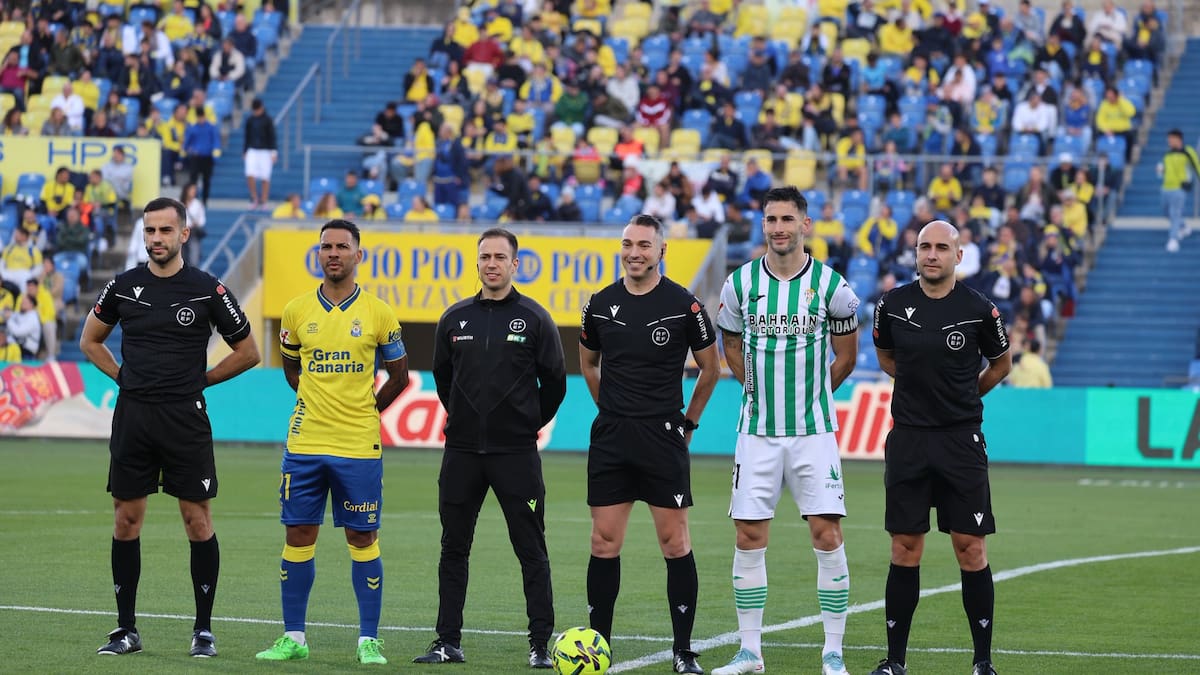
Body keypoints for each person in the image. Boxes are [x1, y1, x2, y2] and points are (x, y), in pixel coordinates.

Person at [80, 197, 261, 658]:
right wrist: (123, 377)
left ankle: (203, 630)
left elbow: (248, 351)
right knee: (126, 519)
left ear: (184, 234)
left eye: (165, 231)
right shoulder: (123, 286)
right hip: (134, 416)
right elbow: (90, 340)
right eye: (150, 231)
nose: (156, 239)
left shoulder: (206, 289)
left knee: (196, 520)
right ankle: (126, 630)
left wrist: (202, 379)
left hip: (185, 417)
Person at [711, 187, 860, 675]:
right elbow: (729, 343)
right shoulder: (739, 285)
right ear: (763, 225)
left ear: (805, 224)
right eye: (771, 219)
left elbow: (847, 356)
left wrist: (814, 393)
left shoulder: (832, 287)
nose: (779, 227)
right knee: (749, 535)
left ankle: (832, 651)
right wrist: (752, 385)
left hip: (813, 433)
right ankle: (750, 651)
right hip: (756, 432)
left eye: (787, 219)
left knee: (827, 533)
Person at [256, 219, 410, 665]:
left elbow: (400, 375)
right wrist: (315, 401)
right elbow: (291, 369)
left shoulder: (379, 313)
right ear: (318, 254)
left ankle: (368, 640)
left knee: (363, 536)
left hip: (358, 445)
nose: (334, 253)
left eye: (343, 246)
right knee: (298, 533)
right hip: (305, 443)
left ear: (359, 255)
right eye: (327, 247)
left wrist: (368, 411)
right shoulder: (296, 311)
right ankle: (294, 638)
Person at [414, 229, 567, 668]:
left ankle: (540, 645)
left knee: (531, 550)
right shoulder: (454, 318)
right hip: (461, 452)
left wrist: (524, 425)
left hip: (515, 454)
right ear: (477, 262)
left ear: (516, 264)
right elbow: (444, 379)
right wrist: (464, 418)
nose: (492, 264)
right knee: (453, 548)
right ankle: (447, 641)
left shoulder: (535, 319)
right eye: (485, 257)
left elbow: (554, 384)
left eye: (501, 257)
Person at [579, 214, 721, 674]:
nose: (634, 252)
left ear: (662, 251)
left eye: (644, 245)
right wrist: (613, 411)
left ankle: (683, 652)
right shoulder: (600, 304)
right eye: (627, 244)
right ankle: (595, 648)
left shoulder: (684, 305)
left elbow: (711, 368)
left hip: (663, 437)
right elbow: (589, 365)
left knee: (674, 541)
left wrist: (689, 423)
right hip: (613, 438)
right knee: (604, 542)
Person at [869, 220, 1012, 675]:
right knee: (905, 547)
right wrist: (918, 386)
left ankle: (983, 661)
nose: (931, 255)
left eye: (941, 248)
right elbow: (886, 355)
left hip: (960, 441)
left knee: (970, 547)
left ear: (958, 255)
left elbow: (1001, 363)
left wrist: (966, 395)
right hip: (908, 439)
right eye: (924, 247)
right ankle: (895, 662)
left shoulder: (979, 309)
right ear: (916, 253)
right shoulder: (891, 305)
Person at [1159, 128, 1200, 252]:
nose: (1170, 142)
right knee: (1166, 212)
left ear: (1179, 139)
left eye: (1172, 139)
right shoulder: (1168, 154)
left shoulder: (1188, 152)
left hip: (1179, 188)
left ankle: (1173, 239)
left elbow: (1196, 166)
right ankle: (1183, 226)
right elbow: (1166, 169)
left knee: (1175, 213)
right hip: (1166, 187)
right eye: (1169, 139)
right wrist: (1161, 170)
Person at [244, 98, 278, 209]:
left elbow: (272, 136)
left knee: (265, 177)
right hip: (252, 149)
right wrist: (245, 150)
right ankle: (254, 197)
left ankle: (264, 200)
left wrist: (273, 151)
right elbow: (247, 136)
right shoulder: (250, 120)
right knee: (250, 174)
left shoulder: (268, 120)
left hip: (265, 151)